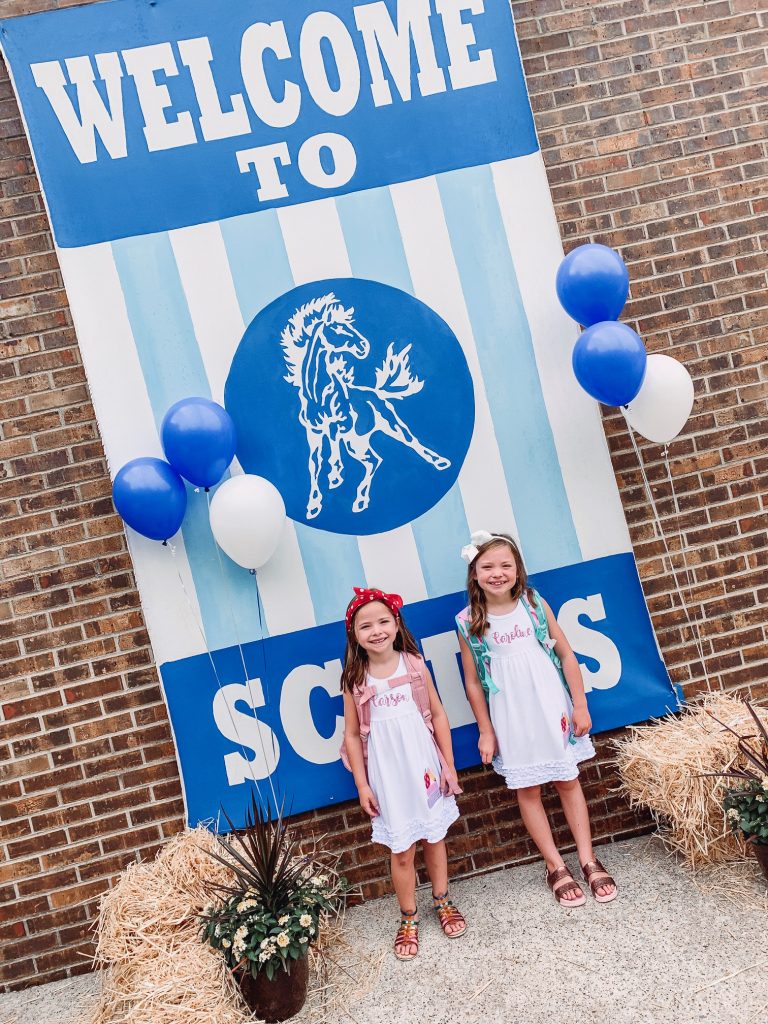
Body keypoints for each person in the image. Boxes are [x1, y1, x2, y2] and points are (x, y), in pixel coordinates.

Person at [456, 532, 618, 906]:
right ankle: (555, 865)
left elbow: (566, 654)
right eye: (488, 567)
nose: (497, 573)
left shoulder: (532, 603)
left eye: (505, 565)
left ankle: (588, 859)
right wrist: (485, 729)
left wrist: (579, 704)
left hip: (550, 706)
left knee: (567, 778)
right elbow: (473, 682)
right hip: (511, 715)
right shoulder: (468, 622)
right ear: (475, 573)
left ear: (518, 569)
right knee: (527, 790)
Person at [341, 586, 467, 960]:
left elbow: (439, 715)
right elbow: (351, 735)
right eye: (366, 626)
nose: (376, 631)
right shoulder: (354, 679)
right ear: (355, 635)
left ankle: (442, 900)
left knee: (434, 838)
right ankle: (409, 916)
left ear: (396, 624)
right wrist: (363, 785)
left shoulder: (413, 665)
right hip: (388, 776)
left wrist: (448, 764)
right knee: (401, 850)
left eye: (383, 621)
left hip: (424, 767)